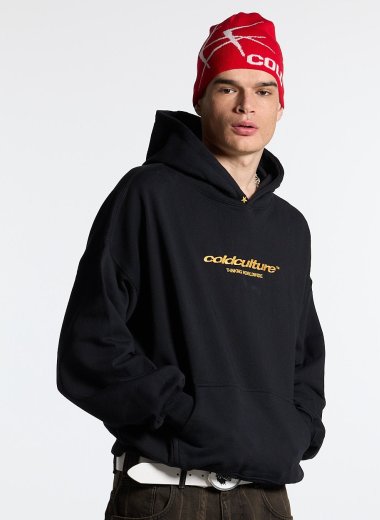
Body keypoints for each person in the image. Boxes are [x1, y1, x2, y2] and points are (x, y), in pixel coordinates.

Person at [56, 11, 326, 520]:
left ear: (280, 105)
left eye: (264, 90)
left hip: (266, 498)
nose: (246, 105)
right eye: (227, 87)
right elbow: (90, 345)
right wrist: (186, 413)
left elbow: (304, 356)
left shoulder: (290, 229)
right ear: (201, 97)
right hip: (167, 494)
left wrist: (297, 429)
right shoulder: (147, 195)